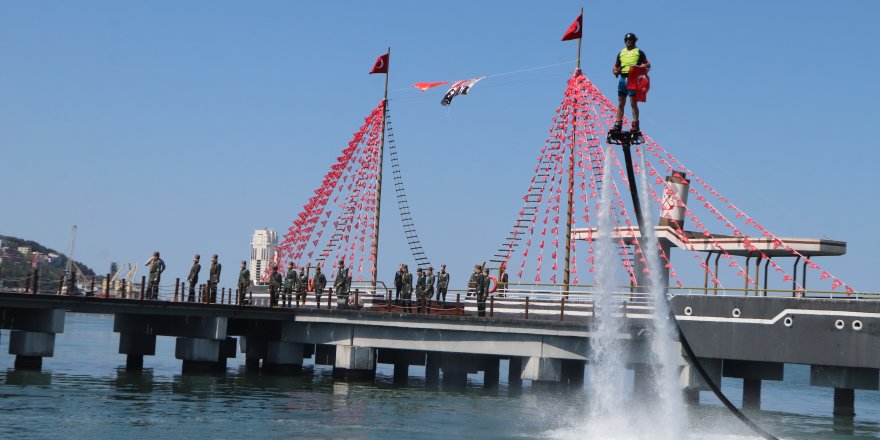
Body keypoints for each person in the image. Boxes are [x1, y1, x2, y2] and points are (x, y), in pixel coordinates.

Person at [611, 32, 651, 135]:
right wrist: (615, 71)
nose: (628, 42)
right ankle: (618, 123)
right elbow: (615, 66)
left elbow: (648, 64)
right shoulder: (621, 53)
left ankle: (635, 123)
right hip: (623, 78)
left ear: (634, 41)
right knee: (621, 102)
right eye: (626, 40)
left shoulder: (639, 52)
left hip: (633, 78)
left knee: (633, 102)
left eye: (630, 40)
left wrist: (644, 66)